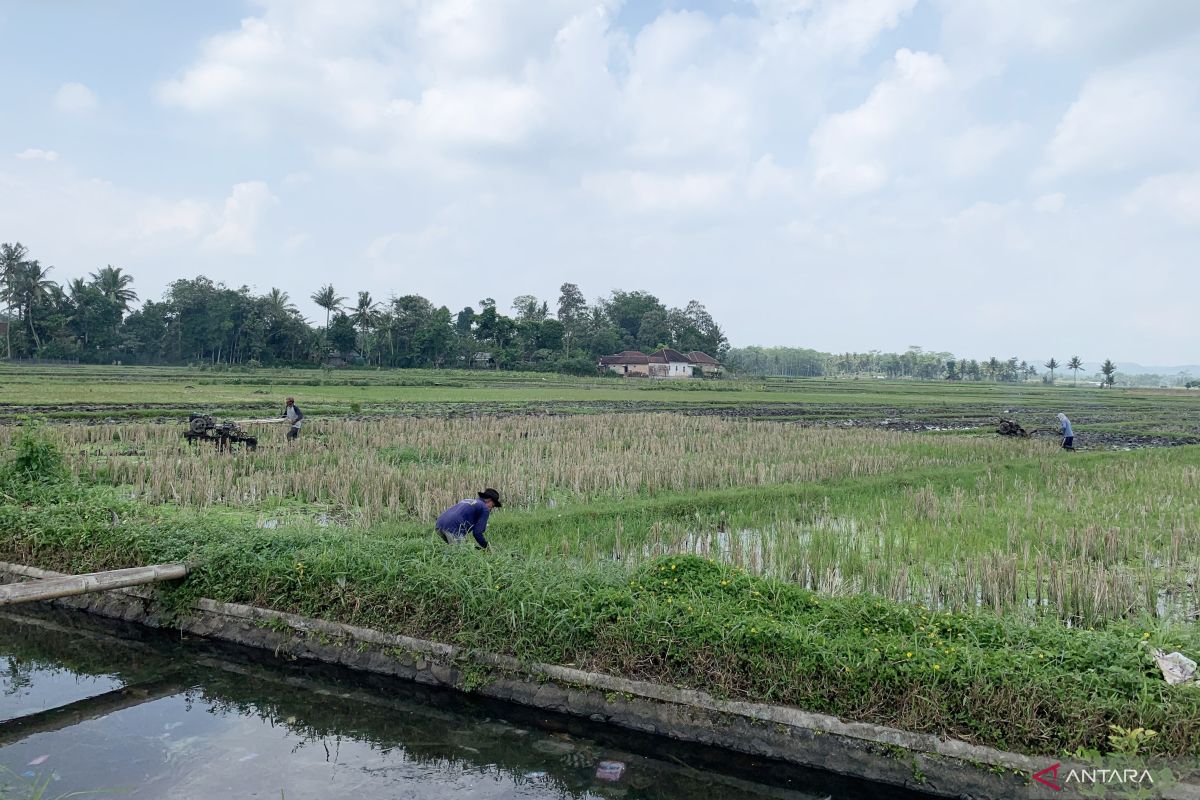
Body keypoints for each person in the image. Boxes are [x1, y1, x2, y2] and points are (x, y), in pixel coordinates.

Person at [435, 489, 502, 549]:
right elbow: (477, 533)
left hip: (439, 524)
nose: (491, 509)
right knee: (461, 555)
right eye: (492, 506)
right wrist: (487, 547)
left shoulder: (468, 500)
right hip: (453, 528)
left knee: (450, 550)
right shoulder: (484, 508)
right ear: (489, 500)